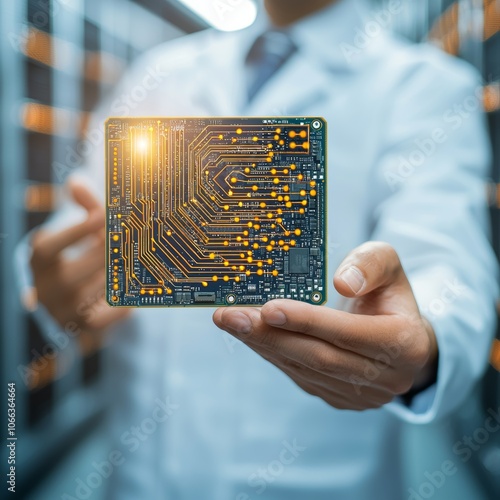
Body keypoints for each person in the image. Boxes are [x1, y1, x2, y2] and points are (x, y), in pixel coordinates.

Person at [23, 0, 498, 498]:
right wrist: (54, 283)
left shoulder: (424, 84)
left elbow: (446, 262)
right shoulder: (161, 72)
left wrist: (423, 343)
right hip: (139, 476)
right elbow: (78, 220)